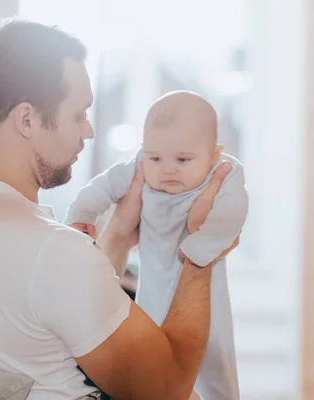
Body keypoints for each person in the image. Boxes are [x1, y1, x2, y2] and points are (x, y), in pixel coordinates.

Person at [0, 18, 238, 400]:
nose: (89, 131)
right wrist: (201, 247)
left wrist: (117, 236)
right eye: (79, 115)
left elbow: (49, 322)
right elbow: (168, 388)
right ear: (27, 119)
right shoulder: (51, 252)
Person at [65, 91, 248, 400]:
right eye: (156, 158)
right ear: (144, 151)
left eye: (183, 159)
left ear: (214, 155)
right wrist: (83, 214)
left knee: (213, 357)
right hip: (151, 287)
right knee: (153, 354)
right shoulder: (141, 166)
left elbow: (233, 214)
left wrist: (203, 243)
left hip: (204, 292)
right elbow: (104, 186)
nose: (168, 169)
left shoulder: (225, 173)